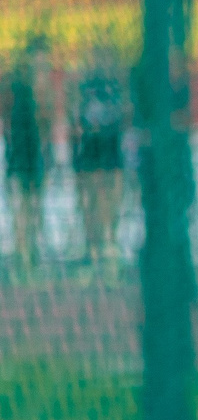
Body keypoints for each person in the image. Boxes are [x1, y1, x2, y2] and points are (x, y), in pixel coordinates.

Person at [6, 35, 60, 271]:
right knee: (20, 204)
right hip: (18, 151)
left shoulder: (47, 89)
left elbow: (48, 124)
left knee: (36, 204)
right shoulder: (15, 87)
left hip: (38, 152)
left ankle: (32, 253)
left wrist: (50, 154)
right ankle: (22, 254)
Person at [70, 45, 128, 264]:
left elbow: (125, 114)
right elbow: (74, 118)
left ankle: (110, 244)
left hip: (111, 147)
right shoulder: (83, 86)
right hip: (90, 150)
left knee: (112, 198)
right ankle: (92, 247)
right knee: (91, 199)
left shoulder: (116, 85)